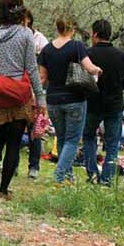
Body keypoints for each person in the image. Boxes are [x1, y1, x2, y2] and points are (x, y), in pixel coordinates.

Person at [0, 0, 46, 200]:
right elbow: (32, 70)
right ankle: (3, 191)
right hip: (19, 94)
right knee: (13, 143)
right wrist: (40, 100)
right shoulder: (25, 35)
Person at [38, 15, 102, 184]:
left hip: (52, 99)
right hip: (74, 98)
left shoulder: (46, 49)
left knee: (62, 137)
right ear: (72, 29)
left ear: (57, 28)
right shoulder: (76, 46)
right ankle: (59, 175)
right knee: (73, 140)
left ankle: (68, 176)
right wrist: (97, 70)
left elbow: (42, 78)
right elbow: (89, 67)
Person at [82, 19, 124, 186]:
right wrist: (117, 86)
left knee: (89, 136)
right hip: (115, 105)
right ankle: (107, 179)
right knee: (112, 143)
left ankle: (92, 173)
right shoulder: (122, 56)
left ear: (95, 34)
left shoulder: (87, 54)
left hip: (93, 104)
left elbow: (80, 80)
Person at [22, 8, 48, 179]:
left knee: (35, 129)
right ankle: (13, 164)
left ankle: (34, 166)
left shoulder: (39, 39)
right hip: (18, 88)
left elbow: (43, 68)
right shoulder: (15, 35)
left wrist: (37, 89)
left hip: (33, 88)